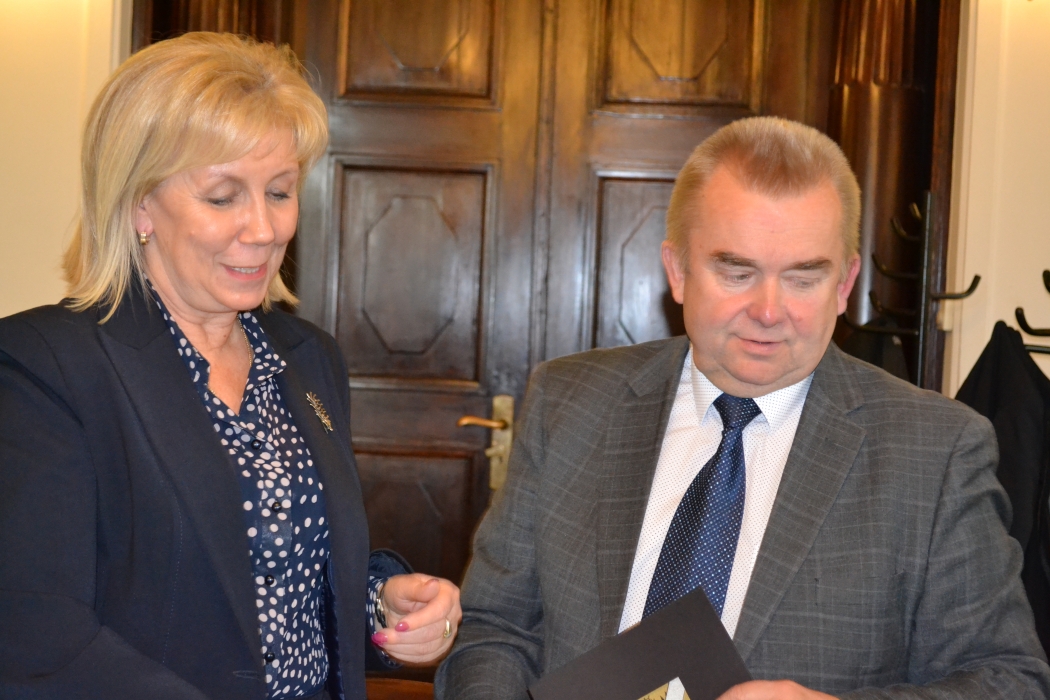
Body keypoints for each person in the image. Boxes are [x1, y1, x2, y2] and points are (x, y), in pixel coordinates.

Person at [435, 117, 1050, 699]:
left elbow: (1007, 680)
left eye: (803, 278)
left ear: (844, 285)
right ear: (678, 271)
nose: (768, 310)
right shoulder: (569, 402)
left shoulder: (937, 451)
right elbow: (495, 629)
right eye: (737, 273)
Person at [0, 33, 460, 700]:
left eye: (279, 192)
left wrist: (381, 603)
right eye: (223, 197)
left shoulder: (308, 356)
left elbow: (284, 575)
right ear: (138, 203)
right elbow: (34, 633)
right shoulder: (43, 367)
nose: (264, 229)